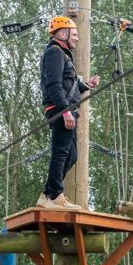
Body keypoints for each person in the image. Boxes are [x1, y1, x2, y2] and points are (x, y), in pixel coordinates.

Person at [39, 15, 101, 210]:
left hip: (66, 109)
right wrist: (65, 111)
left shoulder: (62, 54)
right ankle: (56, 195)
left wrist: (85, 85)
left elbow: (67, 85)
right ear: (63, 33)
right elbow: (54, 85)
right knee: (60, 153)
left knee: (71, 155)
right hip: (61, 111)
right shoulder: (55, 52)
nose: (76, 38)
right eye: (74, 34)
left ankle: (47, 195)